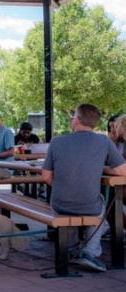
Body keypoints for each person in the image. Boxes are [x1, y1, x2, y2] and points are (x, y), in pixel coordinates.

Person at [42, 104, 126, 272]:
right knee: (100, 203)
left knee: (67, 203)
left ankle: (72, 248)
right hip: (89, 204)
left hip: (59, 204)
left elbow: (46, 177)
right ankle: (90, 252)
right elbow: (123, 171)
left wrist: (65, 184)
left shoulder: (57, 141)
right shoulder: (104, 141)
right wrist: (100, 168)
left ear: (76, 120)